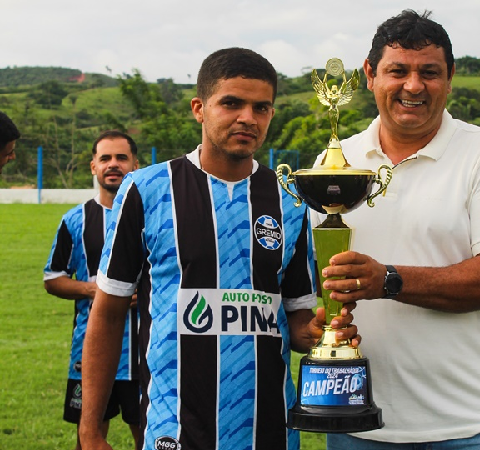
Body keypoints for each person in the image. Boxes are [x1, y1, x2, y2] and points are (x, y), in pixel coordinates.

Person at [78, 47, 359, 450]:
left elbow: (296, 321)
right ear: (199, 108)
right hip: (172, 427)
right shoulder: (147, 190)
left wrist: (317, 330)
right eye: (231, 103)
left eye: (261, 107)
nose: (248, 117)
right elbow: (107, 314)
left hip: (268, 429)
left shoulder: (292, 201)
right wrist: (90, 430)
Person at [312, 10, 480, 450]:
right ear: (370, 75)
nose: (413, 86)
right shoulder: (335, 162)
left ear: (450, 78)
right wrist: (320, 325)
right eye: (398, 71)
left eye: (429, 72)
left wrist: (388, 280)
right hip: (357, 426)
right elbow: (315, 277)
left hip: (474, 426)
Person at [44, 130, 140, 450]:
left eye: (121, 158)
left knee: (153, 438)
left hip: (148, 352)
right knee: (89, 439)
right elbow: (53, 278)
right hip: (90, 352)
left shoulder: (155, 217)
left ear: (136, 165)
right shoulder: (75, 219)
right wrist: (97, 291)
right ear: (93, 167)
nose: (113, 165)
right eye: (105, 158)